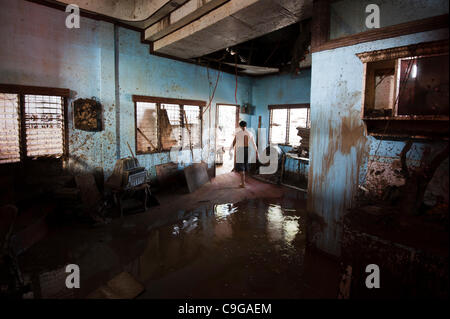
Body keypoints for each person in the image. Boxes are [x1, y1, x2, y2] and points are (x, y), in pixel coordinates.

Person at [229, 121, 258, 188]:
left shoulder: (238, 133)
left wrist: (230, 149)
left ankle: (243, 183)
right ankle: (243, 181)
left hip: (240, 150)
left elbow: (234, 142)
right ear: (246, 125)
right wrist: (256, 152)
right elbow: (254, 144)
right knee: (244, 165)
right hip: (248, 150)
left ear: (240, 126)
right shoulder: (250, 133)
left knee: (241, 167)